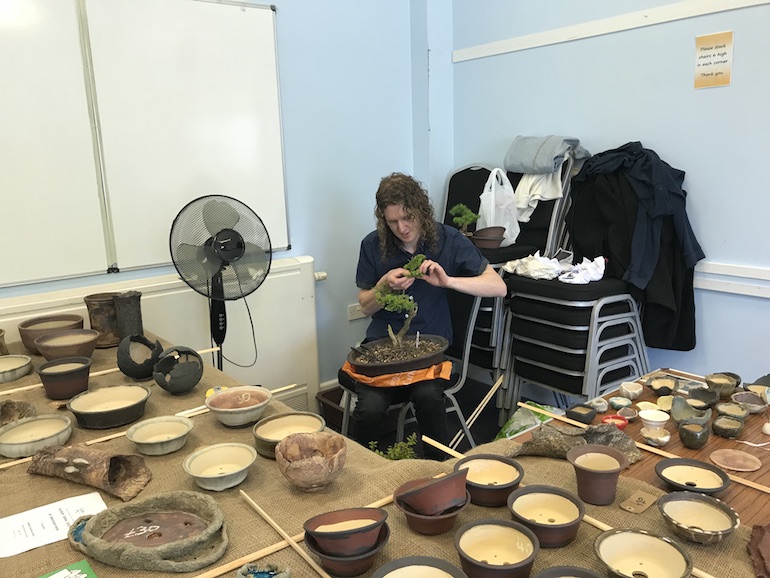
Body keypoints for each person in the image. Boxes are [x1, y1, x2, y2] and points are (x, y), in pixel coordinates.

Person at [345, 172, 507, 459]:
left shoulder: (447, 240)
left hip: (429, 350)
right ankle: (359, 469)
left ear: (421, 210)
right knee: (370, 408)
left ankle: (437, 468)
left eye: (407, 218)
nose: (402, 228)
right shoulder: (372, 245)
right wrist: (382, 286)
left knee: (429, 397)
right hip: (383, 349)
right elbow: (366, 306)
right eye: (392, 221)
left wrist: (448, 282)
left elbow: (498, 287)